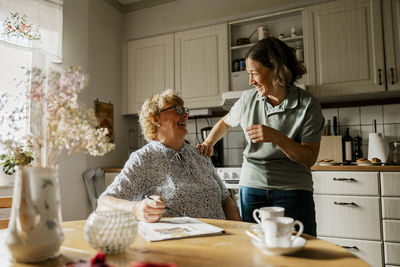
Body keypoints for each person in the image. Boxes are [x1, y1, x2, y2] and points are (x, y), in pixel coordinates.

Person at [196, 37, 324, 236]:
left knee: (299, 250)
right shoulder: (248, 99)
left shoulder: (308, 104)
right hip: (252, 187)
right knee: (253, 249)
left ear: (277, 69)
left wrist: (277, 137)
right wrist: (208, 142)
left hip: (293, 189)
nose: (251, 81)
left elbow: (309, 158)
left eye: (255, 73)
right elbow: (225, 122)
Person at [98, 89, 241, 223]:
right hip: (180, 245)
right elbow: (104, 203)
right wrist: (136, 209)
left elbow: (225, 200)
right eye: (177, 110)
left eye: (185, 110)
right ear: (155, 119)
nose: (185, 114)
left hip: (221, 241)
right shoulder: (143, 159)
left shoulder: (200, 155)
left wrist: (240, 234)